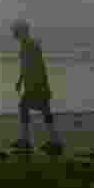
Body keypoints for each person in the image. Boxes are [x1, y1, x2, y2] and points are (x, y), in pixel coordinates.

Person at [11, 18, 63, 154]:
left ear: (22, 31)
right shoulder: (26, 44)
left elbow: (39, 66)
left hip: (36, 84)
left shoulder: (30, 45)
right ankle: (54, 141)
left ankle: (26, 141)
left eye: (15, 31)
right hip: (35, 84)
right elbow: (25, 66)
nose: (14, 34)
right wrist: (20, 81)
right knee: (44, 110)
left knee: (24, 107)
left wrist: (38, 85)